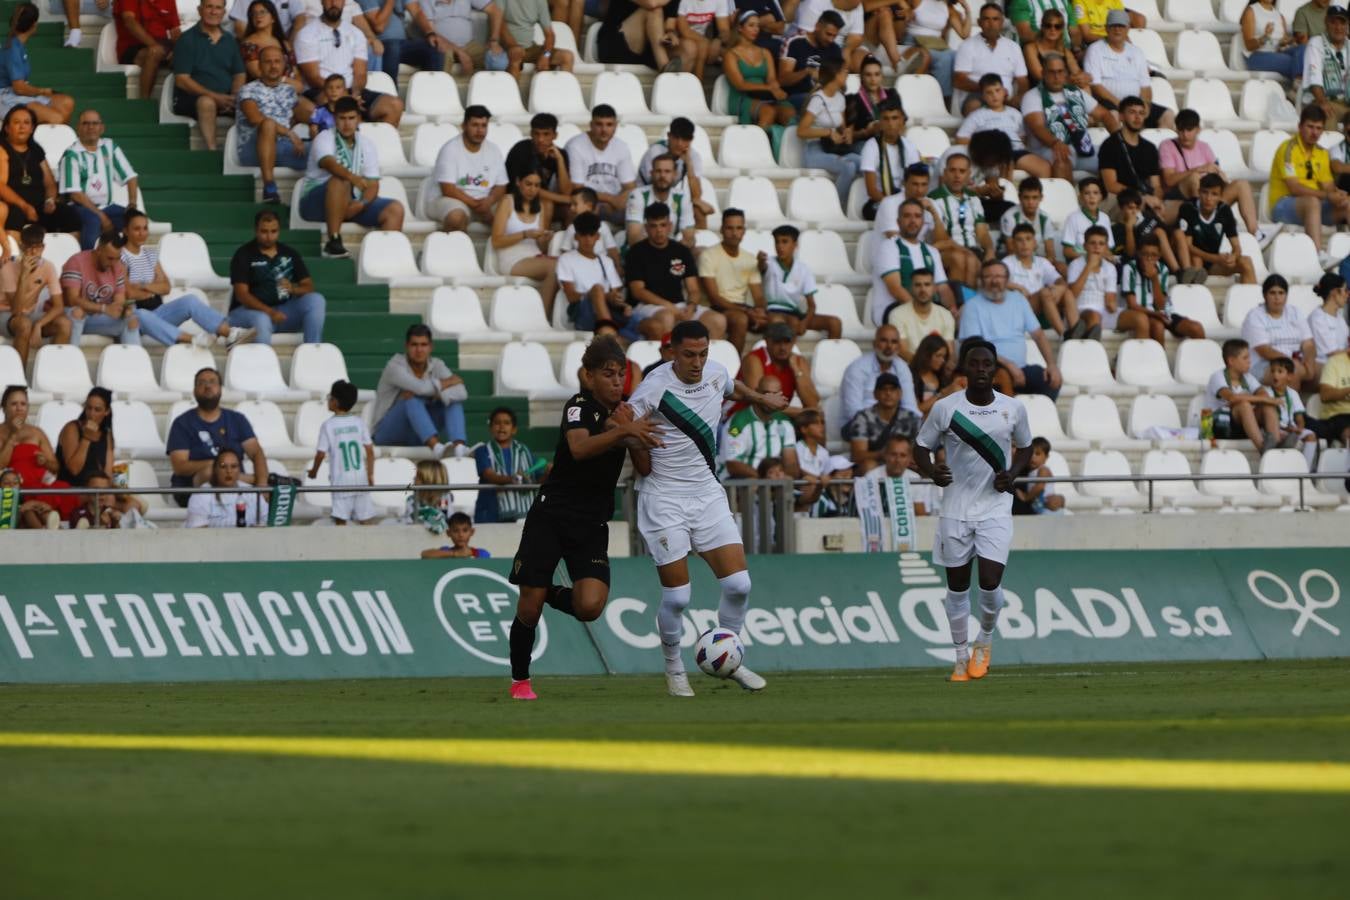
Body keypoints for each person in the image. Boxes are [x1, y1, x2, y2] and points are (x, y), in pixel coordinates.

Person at [626, 319, 787, 697]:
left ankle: (729, 657)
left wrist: (760, 399)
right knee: (678, 597)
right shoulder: (653, 387)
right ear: (671, 352)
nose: (697, 363)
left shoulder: (714, 373)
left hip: (707, 493)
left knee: (738, 584)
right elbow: (624, 425)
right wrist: (633, 437)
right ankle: (673, 668)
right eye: (688, 355)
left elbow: (732, 387)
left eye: (702, 354)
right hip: (664, 498)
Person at [506, 334, 660, 700]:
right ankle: (520, 681)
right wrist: (622, 430)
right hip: (552, 514)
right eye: (608, 374)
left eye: (621, 374)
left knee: (590, 606)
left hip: (591, 523)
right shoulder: (579, 406)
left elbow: (646, 468)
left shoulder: (625, 412)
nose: (616, 381)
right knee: (528, 606)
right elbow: (578, 449)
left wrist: (634, 434)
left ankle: (544, 592)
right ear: (587, 376)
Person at [913, 338, 1032, 682]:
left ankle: (986, 639)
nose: (981, 369)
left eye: (986, 364)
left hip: (995, 508)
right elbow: (921, 447)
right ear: (963, 369)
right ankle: (961, 658)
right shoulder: (946, 408)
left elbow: (1025, 447)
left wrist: (1012, 474)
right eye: (974, 364)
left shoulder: (1013, 408)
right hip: (955, 509)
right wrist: (931, 470)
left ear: (995, 369)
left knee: (991, 583)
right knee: (957, 588)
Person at [123, 209, 253, 348]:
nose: (142, 233)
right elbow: (128, 292)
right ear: (126, 231)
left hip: (158, 312)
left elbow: (166, 287)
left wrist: (143, 285)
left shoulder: (150, 254)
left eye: (145, 228)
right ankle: (191, 339)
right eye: (137, 229)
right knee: (141, 314)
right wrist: (153, 287)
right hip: (136, 317)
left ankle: (230, 334)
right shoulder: (121, 256)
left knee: (190, 301)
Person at [1159, 109, 1271, 246]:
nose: (1185, 135)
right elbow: (1169, 179)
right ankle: (1199, 228)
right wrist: (1199, 169)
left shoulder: (1204, 147)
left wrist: (1223, 180)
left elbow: (1218, 173)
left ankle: (1255, 233)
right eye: (1181, 130)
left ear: (1198, 130)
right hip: (1179, 200)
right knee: (1195, 178)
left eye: (1189, 130)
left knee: (1241, 184)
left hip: (1207, 198)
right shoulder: (1167, 146)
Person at [624, 201, 727, 340]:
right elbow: (638, 291)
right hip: (646, 306)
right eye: (654, 226)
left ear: (670, 226)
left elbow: (694, 289)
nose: (659, 230)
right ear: (646, 228)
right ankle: (669, 361)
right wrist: (670, 307)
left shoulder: (681, 251)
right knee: (667, 317)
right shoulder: (636, 252)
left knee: (718, 320)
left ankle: (705, 361)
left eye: (663, 225)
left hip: (680, 305)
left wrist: (691, 307)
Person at [958, 258, 1061, 397]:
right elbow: (973, 346)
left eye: (999, 276)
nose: (994, 281)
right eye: (988, 276)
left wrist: (1052, 365)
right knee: (1003, 378)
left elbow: (1038, 335)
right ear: (981, 281)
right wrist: (1008, 365)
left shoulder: (1019, 300)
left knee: (1050, 379)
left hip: (1021, 368)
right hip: (989, 370)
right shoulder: (972, 306)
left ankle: (1040, 418)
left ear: (1007, 280)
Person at [166, 368, 269, 505]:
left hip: (235, 487)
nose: (207, 386)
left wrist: (262, 485)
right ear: (194, 391)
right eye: (201, 383)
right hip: (191, 490)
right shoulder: (182, 423)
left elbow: (256, 453)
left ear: (220, 389)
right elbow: (180, 466)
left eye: (212, 382)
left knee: (271, 486)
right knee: (210, 472)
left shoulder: (237, 419)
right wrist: (216, 465)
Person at [295, 0, 404, 124]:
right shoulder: (306, 34)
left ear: (344, 2)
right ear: (322, 2)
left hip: (352, 90)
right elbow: (313, 77)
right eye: (329, 0)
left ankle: (372, 142)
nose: (333, 4)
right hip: (321, 90)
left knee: (395, 105)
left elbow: (360, 73)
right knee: (330, 105)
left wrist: (355, 95)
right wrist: (340, 95)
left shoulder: (356, 34)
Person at [371, 323, 470, 457]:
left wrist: (436, 394)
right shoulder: (394, 366)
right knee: (411, 399)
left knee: (453, 401)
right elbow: (421, 388)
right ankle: (437, 448)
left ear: (431, 347)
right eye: (414, 345)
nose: (419, 350)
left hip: (418, 431)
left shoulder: (437, 365)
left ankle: (459, 448)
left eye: (423, 345)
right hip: (388, 431)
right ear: (406, 346)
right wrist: (445, 384)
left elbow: (462, 393)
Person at [228, 209, 328, 343]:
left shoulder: (290, 253)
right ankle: (263, 363)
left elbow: (308, 286)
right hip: (248, 312)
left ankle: (312, 350)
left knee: (316, 300)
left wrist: (293, 289)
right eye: (264, 231)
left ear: (279, 231)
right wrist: (270, 312)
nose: (269, 236)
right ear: (256, 230)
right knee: (262, 320)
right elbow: (242, 295)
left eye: (273, 231)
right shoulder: (244, 254)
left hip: (283, 311)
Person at [1269, 104, 1350, 259]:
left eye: (1319, 128)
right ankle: (1317, 255)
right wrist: (1327, 195)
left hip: (1315, 205)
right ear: (1300, 126)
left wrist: (1337, 194)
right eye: (1310, 127)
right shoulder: (1287, 149)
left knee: (1347, 202)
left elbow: (1328, 186)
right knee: (1312, 202)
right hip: (1283, 205)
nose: (1315, 133)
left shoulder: (1322, 153)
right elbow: (1295, 189)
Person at [1022, 51, 1113, 178]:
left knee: (1115, 156)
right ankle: (1067, 197)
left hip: (1080, 147)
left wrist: (1119, 140)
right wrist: (1055, 143)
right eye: (1052, 72)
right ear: (1043, 73)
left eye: (1060, 71)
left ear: (1066, 73)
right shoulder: (1032, 96)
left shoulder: (1075, 92)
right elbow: (1037, 127)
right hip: (1047, 149)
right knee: (1061, 160)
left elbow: (1104, 115)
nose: (1056, 76)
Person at [238, 45, 309, 205]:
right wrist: (290, 133)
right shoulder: (248, 90)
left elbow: (307, 113)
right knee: (268, 124)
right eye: (268, 62)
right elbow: (256, 119)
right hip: (253, 149)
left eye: (277, 61)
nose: (273, 65)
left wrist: (315, 126)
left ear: (284, 65)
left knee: (324, 151)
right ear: (259, 66)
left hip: (282, 147)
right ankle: (269, 187)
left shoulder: (289, 91)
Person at [57, 111, 138, 251]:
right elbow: (75, 194)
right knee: (93, 220)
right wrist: (101, 216)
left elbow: (131, 176)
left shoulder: (110, 147)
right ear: (78, 128)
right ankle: (88, 261)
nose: (91, 127)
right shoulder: (71, 154)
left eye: (95, 123)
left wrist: (132, 204)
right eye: (86, 123)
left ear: (102, 128)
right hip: (78, 208)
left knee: (134, 220)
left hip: (107, 206)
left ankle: (128, 262)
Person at [172, 0, 246, 151]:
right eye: (209, 7)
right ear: (200, 10)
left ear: (224, 13)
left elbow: (239, 73)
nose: (214, 12)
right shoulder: (186, 39)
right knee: (207, 102)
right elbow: (181, 80)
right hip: (191, 99)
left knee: (252, 102)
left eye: (218, 8)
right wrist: (215, 97)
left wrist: (234, 96)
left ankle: (245, 152)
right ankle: (212, 150)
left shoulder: (229, 40)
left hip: (226, 98)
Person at [0, 105, 81, 239]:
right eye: (16, 122)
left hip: (38, 206)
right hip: (14, 206)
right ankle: (17, 258)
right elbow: (1, 186)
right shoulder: (2, 148)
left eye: (26, 123)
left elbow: (49, 183)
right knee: (14, 215)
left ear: (32, 128)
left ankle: (70, 257)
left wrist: (50, 200)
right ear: (7, 128)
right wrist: (24, 206)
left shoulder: (36, 150)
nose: (22, 126)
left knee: (68, 215)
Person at [0, 385, 78, 523]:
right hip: (12, 488)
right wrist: (12, 435)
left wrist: (45, 462)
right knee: (34, 500)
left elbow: (55, 467)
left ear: (28, 408)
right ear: (4, 408)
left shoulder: (36, 433)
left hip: (40, 487)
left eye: (23, 404)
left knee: (63, 488)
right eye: (14, 404)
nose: (19, 408)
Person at [1083, 11, 1172, 129]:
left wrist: (1143, 106)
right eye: (1113, 26)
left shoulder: (1136, 52)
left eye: (1121, 26)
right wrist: (1120, 105)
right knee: (1112, 116)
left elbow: (1145, 86)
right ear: (1106, 28)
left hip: (1135, 104)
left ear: (1128, 28)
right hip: (1107, 103)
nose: (1117, 29)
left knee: (1168, 115)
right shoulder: (1095, 50)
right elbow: (1096, 86)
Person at [871, 198, 952, 325]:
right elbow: (895, 289)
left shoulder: (931, 251)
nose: (913, 221)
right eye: (907, 216)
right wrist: (924, 313)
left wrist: (952, 311)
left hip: (927, 310)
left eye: (917, 216)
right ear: (898, 221)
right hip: (894, 309)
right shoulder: (888, 247)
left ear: (923, 221)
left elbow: (943, 288)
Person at [308, 378, 377, 526]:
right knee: (366, 520)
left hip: (340, 481)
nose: (328, 400)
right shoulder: (359, 423)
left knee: (341, 521)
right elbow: (370, 451)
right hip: (360, 480)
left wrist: (313, 471)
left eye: (330, 398)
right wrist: (370, 474)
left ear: (335, 402)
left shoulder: (328, 425)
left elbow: (320, 454)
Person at [430, 105, 508, 234]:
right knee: (456, 218)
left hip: (484, 202)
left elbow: (501, 186)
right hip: (451, 200)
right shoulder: (450, 149)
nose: (480, 130)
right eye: (475, 125)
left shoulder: (494, 150)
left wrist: (489, 202)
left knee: (510, 217)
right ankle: (450, 253)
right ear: (464, 126)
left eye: (484, 126)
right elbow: (448, 189)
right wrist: (477, 206)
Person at [956, 74, 1051, 179]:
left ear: (1004, 92)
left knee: (1044, 168)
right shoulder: (976, 115)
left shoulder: (1015, 114)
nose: (994, 96)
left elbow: (1023, 138)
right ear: (983, 96)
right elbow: (961, 138)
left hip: (1015, 151)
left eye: (997, 90)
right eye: (989, 92)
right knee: (1004, 165)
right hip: (992, 153)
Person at [698, 208, 768, 351]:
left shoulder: (749, 258)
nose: (734, 233)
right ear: (721, 230)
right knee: (740, 320)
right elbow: (714, 298)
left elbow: (759, 296)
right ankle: (734, 369)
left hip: (741, 308)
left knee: (776, 321)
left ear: (744, 231)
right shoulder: (708, 255)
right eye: (730, 228)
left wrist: (760, 310)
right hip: (716, 308)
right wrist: (747, 312)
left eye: (739, 228)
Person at [0, 224, 67, 368]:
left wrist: (39, 324)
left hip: (29, 315)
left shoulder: (48, 267)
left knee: (64, 324)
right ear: (21, 247)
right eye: (29, 247)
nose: (33, 252)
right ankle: (19, 380)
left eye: (38, 247)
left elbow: (59, 306)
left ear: (43, 247)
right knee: (24, 324)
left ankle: (52, 374)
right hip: (4, 314)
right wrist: (23, 276)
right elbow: (16, 311)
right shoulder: (8, 268)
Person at [492, 171, 558, 315]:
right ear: (518, 182)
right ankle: (540, 316)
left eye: (536, 185)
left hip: (534, 256)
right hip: (512, 258)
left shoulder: (540, 205)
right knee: (555, 267)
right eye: (528, 184)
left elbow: (541, 247)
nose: (532, 189)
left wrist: (544, 240)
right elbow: (496, 241)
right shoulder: (507, 201)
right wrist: (524, 234)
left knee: (565, 265)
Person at [796, 59, 860, 207]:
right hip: (814, 150)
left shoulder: (840, 98)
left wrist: (846, 133)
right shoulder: (818, 99)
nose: (847, 75)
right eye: (844, 72)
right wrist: (828, 133)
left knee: (865, 163)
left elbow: (841, 128)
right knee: (848, 167)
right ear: (835, 75)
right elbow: (801, 131)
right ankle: (835, 207)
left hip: (834, 148)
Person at [1176, 174, 1259, 287]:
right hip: (1192, 260)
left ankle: (1252, 303)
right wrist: (1215, 258)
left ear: (1220, 196)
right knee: (1196, 259)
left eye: (1214, 194)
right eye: (1205, 192)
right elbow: (1187, 246)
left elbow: (1236, 246)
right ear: (1199, 192)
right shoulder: (1188, 208)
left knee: (1246, 262)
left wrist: (1233, 256)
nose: (1209, 198)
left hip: (1213, 264)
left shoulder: (1224, 211)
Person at [1121, 234, 1204, 344]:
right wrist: (1156, 314)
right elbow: (1132, 305)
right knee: (1158, 327)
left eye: (1154, 255)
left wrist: (1154, 278)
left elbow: (1161, 305)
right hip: (1143, 313)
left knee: (1196, 328)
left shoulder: (1163, 269)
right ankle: (1160, 360)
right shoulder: (1130, 268)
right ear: (1139, 253)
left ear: (1159, 255)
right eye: (1145, 254)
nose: (1149, 259)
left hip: (1163, 312)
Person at [759, 223, 840, 338]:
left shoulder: (803, 269)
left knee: (834, 323)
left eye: (784, 241)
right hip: (773, 312)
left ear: (795, 245)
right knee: (787, 322)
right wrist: (760, 261)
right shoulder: (768, 263)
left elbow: (812, 305)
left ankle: (831, 355)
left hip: (795, 313)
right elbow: (761, 267)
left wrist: (805, 323)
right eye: (777, 242)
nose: (780, 246)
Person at [62, 231, 141, 346]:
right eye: (110, 258)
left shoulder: (118, 266)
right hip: (70, 315)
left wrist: (122, 309)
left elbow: (120, 299)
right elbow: (72, 300)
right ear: (98, 250)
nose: (113, 263)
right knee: (78, 312)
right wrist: (104, 309)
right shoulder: (76, 262)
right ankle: (73, 358)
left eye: (117, 258)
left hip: (96, 317)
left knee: (131, 319)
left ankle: (134, 362)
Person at [0, 4, 74, 125]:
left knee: (67, 102)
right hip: (5, 97)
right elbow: (19, 88)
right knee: (56, 119)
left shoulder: (18, 45)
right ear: (34, 25)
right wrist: (43, 91)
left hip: (15, 94)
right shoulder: (13, 48)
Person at [929, 148, 992, 285]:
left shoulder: (974, 198)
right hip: (947, 250)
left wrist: (990, 251)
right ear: (945, 174)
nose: (957, 175)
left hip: (974, 250)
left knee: (989, 263)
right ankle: (962, 303)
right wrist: (964, 251)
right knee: (963, 258)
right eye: (952, 170)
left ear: (969, 175)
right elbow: (940, 238)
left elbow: (981, 233)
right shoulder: (933, 199)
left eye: (962, 171)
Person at [1206, 338, 1281, 453]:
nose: (1249, 361)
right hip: (1217, 424)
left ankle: (1275, 446)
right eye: (1245, 358)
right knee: (1243, 405)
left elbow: (1264, 395)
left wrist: (1263, 399)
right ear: (1231, 361)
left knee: (1268, 406)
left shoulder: (1248, 377)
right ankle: (1264, 449)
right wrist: (1258, 399)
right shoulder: (1217, 376)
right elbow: (1232, 398)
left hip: (1239, 425)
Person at [566, 105, 636, 225]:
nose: (604, 130)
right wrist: (610, 199)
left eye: (609, 125)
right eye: (599, 124)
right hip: (587, 203)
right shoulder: (575, 146)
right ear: (591, 125)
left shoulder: (621, 147)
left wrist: (619, 201)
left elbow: (630, 187)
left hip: (614, 204)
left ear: (615, 126)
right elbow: (577, 189)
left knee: (640, 211)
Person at [952, 3, 1028, 115]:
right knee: (973, 106)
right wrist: (989, 91)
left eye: (995, 19)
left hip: (1008, 98)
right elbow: (959, 80)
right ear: (979, 22)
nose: (991, 24)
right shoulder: (967, 46)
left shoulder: (1013, 47)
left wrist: (1019, 97)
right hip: (977, 94)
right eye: (986, 19)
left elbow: (1023, 81)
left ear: (1002, 22)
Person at [638, 116, 712, 228]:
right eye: (676, 138)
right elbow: (659, 186)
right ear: (669, 136)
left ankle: (700, 243)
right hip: (647, 197)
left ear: (691, 140)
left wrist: (689, 165)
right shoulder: (655, 152)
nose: (680, 143)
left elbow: (696, 195)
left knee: (699, 211)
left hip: (668, 197)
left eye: (685, 139)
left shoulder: (693, 156)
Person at [1097, 95, 1166, 214]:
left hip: (1144, 198)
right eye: (1132, 112)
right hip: (1119, 199)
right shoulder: (1109, 145)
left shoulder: (1150, 148)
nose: (1138, 117)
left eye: (1141, 113)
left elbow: (1156, 185)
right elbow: (1111, 185)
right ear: (1121, 116)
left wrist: (1157, 200)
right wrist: (1140, 197)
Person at [720, 373, 799, 478]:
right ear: (757, 392)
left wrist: (784, 477)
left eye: (775, 394)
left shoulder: (785, 423)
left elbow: (791, 463)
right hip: (738, 484)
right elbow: (733, 464)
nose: (770, 399)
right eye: (766, 393)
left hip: (773, 482)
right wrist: (765, 479)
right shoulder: (737, 423)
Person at [724, 10, 794, 129]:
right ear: (740, 28)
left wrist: (776, 89)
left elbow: (771, 79)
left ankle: (778, 145)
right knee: (768, 112)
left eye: (757, 25)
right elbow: (740, 85)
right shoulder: (731, 55)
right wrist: (768, 88)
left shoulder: (765, 52)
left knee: (789, 114)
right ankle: (756, 145)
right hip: (742, 97)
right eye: (751, 25)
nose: (756, 29)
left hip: (764, 95)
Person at [1243, 273, 1317, 385]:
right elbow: (1264, 350)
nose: (1277, 298)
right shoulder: (1255, 316)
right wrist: (1291, 362)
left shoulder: (1295, 312)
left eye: (1281, 293)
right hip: (1263, 364)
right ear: (1264, 295)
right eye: (1272, 293)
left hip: (1297, 361)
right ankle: (1290, 402)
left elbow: (1308, 344)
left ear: (1286, 295)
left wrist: (1309, 362)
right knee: (1291, 371)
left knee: (1326, 370)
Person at [840, 323, 917, 426]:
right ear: (874, 343)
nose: (889, 346)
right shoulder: (857, 368)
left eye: (893, 342)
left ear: (898, 347)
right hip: (858, 423)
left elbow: (910, 406)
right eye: (884, 340)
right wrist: (881, 426)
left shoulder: (902, 368)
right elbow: (853, 411)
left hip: (892, 424)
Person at [1003, 223, 1073, 337]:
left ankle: (1075, 331)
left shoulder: (1042, 262)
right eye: (1019, 240)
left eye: (1028, 239)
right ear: (1013, 244)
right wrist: (1018, 287)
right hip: (1017, 310)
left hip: (1040, 308)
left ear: (1034, 243)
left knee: (1067, 292)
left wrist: (1059, 288)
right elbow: (995, 283)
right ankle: (1064, 335)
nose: (1024, 244)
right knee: (1044, 293)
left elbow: (1060, 280)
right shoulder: (1007, 262)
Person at [557, 212, 624, 330]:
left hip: (609, 310)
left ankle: (609, 332)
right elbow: (571, 296)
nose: (587, 240)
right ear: (576, 237)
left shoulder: (607, 261)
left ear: (597, 236)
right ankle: (609, 333)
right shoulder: (565, 259)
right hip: (582, 313)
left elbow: (614, 294)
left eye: (591, 235)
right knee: (597, 290)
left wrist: (617, 301)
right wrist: (594, 294)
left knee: (650, 324)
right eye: (583, 235)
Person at [738, 319, 822, 413]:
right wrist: (801, 413)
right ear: (767, 341)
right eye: (777, 342)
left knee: (813, 424)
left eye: (787, 342)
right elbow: (759, 402)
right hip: (743, 416)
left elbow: (812, 403)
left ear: (794, 341)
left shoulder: (798, 361)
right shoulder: (754, 359)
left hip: (777, 417)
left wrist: (796, 370)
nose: (782, 347)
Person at [473, 406, 538, 524]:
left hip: (521, 516)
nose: (502, 426)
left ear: (514, 429)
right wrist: (513, 478)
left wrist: (549, 472)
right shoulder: (482, 451)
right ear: (490, 428)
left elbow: (536, 478)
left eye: (506, 423)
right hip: (490, 512)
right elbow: (489, 476)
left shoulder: (524, 450)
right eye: (497, 423)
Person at [845, 371, 922, 470]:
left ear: (900, 393)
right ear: (875, 394)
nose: (888, 393)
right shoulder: (863, 417)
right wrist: (884, 454)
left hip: (904, 465)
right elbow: (857, 455)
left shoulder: (912, 418)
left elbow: (919, 449)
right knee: (868, 466)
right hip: (876, 466)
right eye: (883, 389)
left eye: (892, 389)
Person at [860, 97, 922, 218]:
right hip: (880, 201)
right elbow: (872, 190)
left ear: (901, 121)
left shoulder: (909, 147)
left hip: (905, 201)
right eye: (886, 119)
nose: (891, 124)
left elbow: (916, 181)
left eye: (894, 118)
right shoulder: (871, 146)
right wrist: (893, 206)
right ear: (880, 123)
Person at [1064, 224, 1125, 340]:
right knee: (1094, 316)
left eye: (1101, 244)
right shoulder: (1075, 265)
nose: (1097, 247)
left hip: (1103, 311)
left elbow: (1110, 302)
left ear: (1106, 248)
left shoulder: (1110, 268)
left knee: (1139, 319)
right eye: (1093, 243)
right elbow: (1072, 295)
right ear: (1085, 246)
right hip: (1081, 310)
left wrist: (1112, 303)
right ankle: (1094, 354)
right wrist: (1089, 266)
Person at [360, 0, 446, 80]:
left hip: (403, 44)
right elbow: (379, 27)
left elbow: (416, 11)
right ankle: (390, 94)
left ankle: (431, 93)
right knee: (393, 47)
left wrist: (429, 32)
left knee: (434, 48)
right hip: (381, 44)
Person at [115, 0, 182, 102]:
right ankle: (144, 102)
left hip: (163, 44)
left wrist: (180, 49)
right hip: (132, 46)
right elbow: (129, 21)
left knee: (185, 56)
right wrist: (153, 45)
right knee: (154, 52)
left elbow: (175, 31)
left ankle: (178, 103)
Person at [861, 432, 941, 516]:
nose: (898, 460)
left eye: (903, 455)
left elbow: (921, 515)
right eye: (893, 454)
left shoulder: (915, 479)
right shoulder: (871, 477)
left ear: (909, 459)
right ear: (885, 455)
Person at [506, 113, 573, 212]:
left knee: (572, 209)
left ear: (555, 135)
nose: (540, 139)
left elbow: (566, 191)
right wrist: (564, 199)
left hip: (544, 199)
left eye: (546, 134)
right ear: (531, 134)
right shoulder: (521, 149)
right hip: (517, 198)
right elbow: (527, 188)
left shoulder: (560, 153)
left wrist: (560, 160)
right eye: (536, 134)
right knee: (547, 204)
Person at [625, 153, 695, 248]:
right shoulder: (638, 195)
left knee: (699, 251)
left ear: (675, 174)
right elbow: (634, 238)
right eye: (658, 171)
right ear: (651, 173)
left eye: (667, 171)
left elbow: (689, 238)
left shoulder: (682, 197)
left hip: (671, 251)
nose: (662, 175)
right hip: (642, 252)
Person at [778, 8, 845, 107]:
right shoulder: (795, 42)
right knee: (818, 101)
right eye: (828, 34)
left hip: (825, 97)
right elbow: (782, 80)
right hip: (796, 97)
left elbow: (841, 83)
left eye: (834, 36)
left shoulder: (835, 49)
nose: (831, 40)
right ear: (817, 26)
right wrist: (807, 71)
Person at [184, 449, 269, 526]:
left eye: (234, 466)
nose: (229, 471)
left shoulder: (252, 492)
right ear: (215, 469)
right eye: (223, 466)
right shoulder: (201, 495)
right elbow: (198, 532)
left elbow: (267, 522)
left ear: (239, 469)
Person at [888, 267, 955, 361]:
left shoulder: (946, 315)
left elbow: (949, 352)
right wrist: (924, 367)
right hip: (909, 368)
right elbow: (902, 351)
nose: (923, 289)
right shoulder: (897, 314)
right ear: (911, 288)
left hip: (938, 369)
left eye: (927, 284)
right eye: (918, 285)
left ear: (934, 288)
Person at [907, 0, 969, 98]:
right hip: (915, 41)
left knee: (956, 55)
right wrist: (906, 10)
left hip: (935, 44)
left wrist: (967, 10)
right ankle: (943, 98)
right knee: (945, 58)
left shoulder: (949, 8)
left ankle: (949, 98)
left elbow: (964, 34)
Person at [595, 0, 680, 72]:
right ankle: (665, 70)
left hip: (649, 49)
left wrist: (671, 33)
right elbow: (651, 3)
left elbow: (670, 23)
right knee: (654, 10)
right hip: (615, 45)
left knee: (689, 48)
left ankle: (677, 85)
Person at [56, 387, 115, 487]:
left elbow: (107, 474)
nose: (91, 414)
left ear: (106, 411)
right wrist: (86, 438)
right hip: (72, 489)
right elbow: (74, 469)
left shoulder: (106, 434)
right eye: (89, 408)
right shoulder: (72, 428)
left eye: (97, 410)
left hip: (95, 490)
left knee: (132, 502)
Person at [1301, 5, 1350, 125]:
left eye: (1342, 23)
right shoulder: (1316, 43)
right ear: (1326, 23)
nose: (1338, 27)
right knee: (1326, 115)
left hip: (1345, 103)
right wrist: (1323, 102)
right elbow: (1315, 81)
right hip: (1320, 101)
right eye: (1333, 23)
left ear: (1347, 25)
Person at [1022, 6, 1089, 89]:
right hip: (1041, 90)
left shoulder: (1065, 51)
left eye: (1057, 26)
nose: (1052, 29)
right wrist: (1072, 80)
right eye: (1048, 25)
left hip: (1063, 89)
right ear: (1042, 27)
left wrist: (1083, 77)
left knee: (1084, 84)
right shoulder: (1031, 48)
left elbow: (1077, 72)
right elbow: (1039, 76)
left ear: (1062, 30)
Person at [501, 0, 574, 75]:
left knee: (567, 56)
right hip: (506, 47)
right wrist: (513, 46)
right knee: (516, 53)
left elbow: (550, 35)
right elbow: (499, 24)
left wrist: (546, 55)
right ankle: (514, 87)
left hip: (529, 48)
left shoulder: (540, 1)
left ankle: (561, 86)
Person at [999, 176, 1060, 265]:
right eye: (1026, 198)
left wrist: (1042, 266)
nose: (1030, 202)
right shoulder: (1010, 217)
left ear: (1041, 197)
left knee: (1062, 267)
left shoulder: (1045, 218)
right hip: (1013, 262)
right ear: (1019, 197)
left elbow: (1050, 252)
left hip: (1039, 261)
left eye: (1035, 197)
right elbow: (1011, 251)